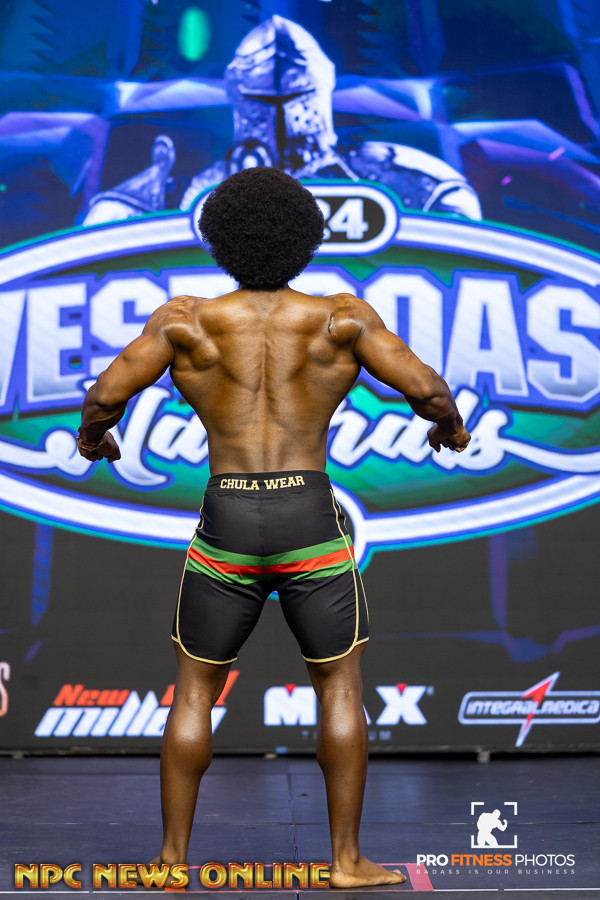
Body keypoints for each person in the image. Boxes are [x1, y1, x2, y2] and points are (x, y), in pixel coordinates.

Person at [77, 166, 470, 888]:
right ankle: (346, 862)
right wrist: (449, 428)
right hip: (308, 520)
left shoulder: (185, 321)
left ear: (221, 239)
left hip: (226, 518)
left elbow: (104, 396)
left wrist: (92, 439)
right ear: (304, 238)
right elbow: (429, 390)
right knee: (339, 688)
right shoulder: (340, 318)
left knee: (194, 691)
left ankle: (170, 863)